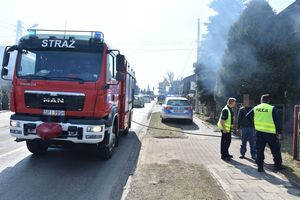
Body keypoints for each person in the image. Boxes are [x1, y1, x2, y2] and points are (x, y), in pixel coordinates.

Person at [246, 94, 285, 172]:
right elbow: (277, 122)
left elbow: (247, 116)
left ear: (261, 100)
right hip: (270, 133)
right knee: (275, 150)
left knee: (259, 150)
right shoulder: (272, 108)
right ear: (268, 100)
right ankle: (277, 165)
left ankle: (260, 167)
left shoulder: (256, 108)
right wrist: (279, 132)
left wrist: (254, 124)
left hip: (259, 132)